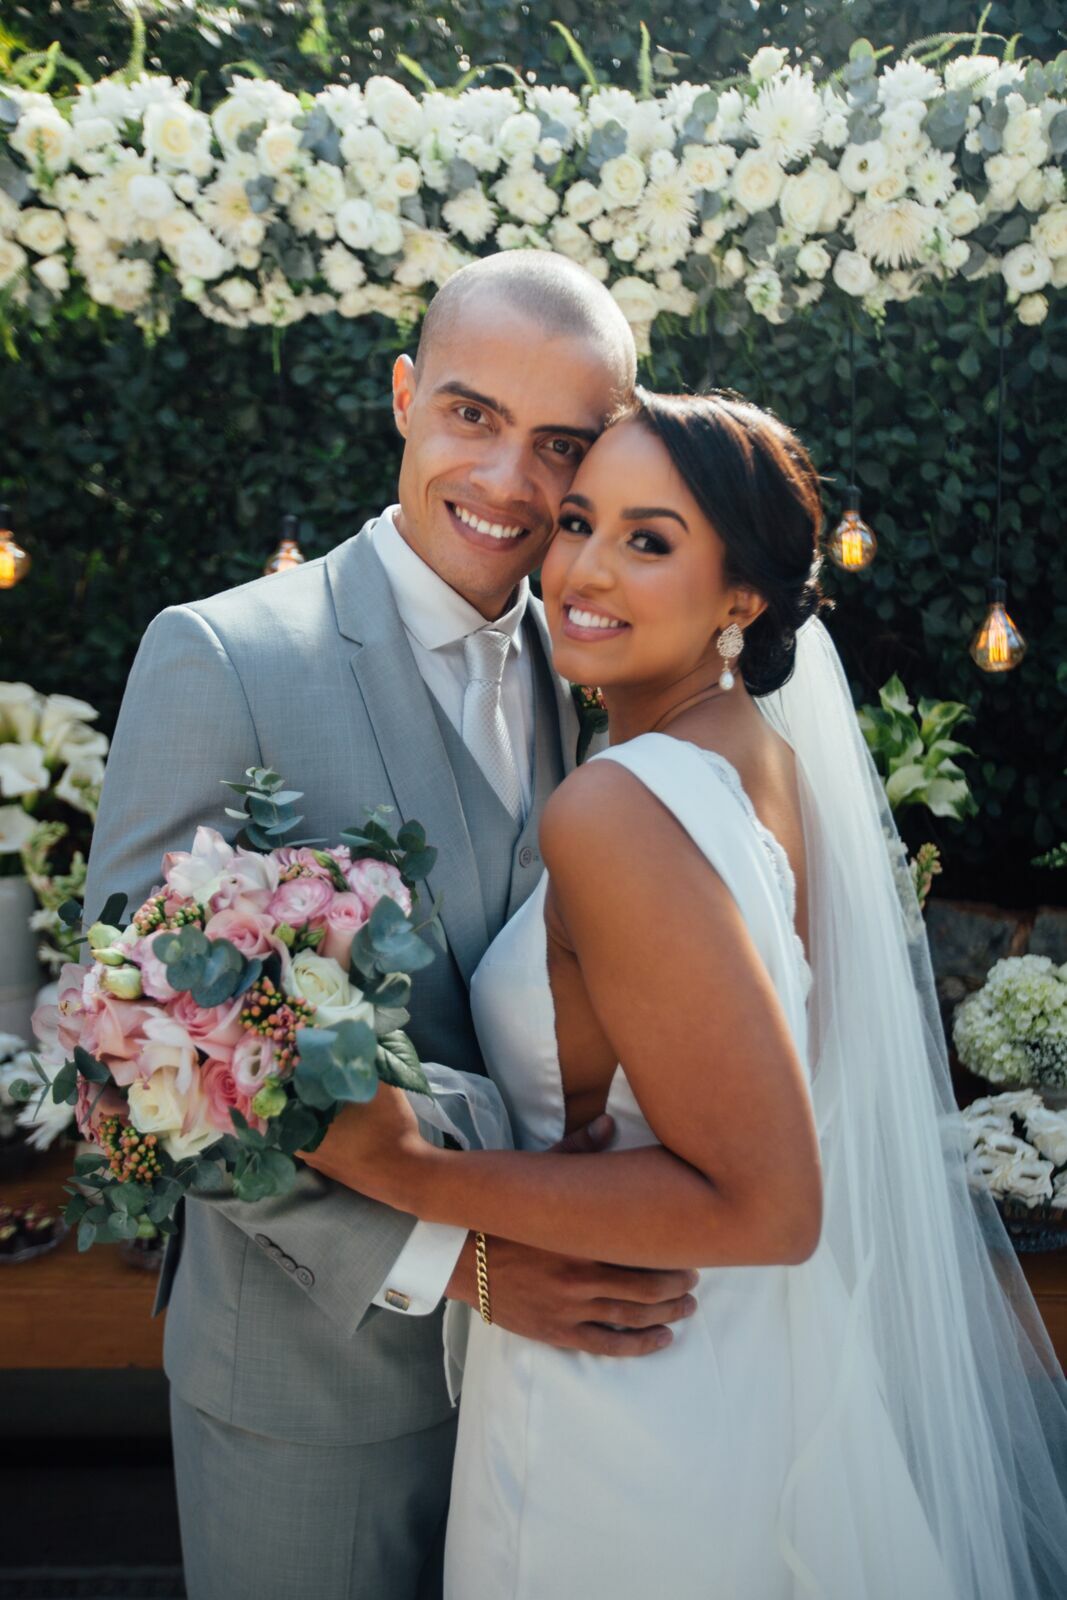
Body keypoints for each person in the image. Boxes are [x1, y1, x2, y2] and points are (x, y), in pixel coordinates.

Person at [306, 389, 1067, 1599]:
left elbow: (768, 1201)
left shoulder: (618, 803)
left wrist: (405, 1172)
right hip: (740, 1374)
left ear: (741, 598)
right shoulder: (761, 766)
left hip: (623, 1407)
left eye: (648, 540)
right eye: (576, 523)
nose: (582, 570)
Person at [81, 252, 701, 1600]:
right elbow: (132, 1060)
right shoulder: (224, 658)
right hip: (312, 1390)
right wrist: (457, 1257)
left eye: (559, 445)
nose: (507, 482)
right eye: (472, 416)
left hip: (561, 1394)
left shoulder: (598, 665)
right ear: (404, 395)